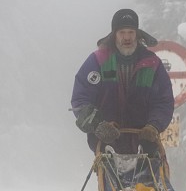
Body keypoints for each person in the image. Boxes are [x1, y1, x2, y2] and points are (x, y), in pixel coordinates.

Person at [71, 9, 174, 154]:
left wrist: (153, 126)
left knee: (154, 175)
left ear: (137, 34)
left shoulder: (152, 63)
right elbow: (81, 99)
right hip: (107, 143)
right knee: (110, 175)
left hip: (144, 143)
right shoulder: (97, 61)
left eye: (131, 32)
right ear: (114, 35)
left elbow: (163, 101)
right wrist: (98, 125)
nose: (127, 37)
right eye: (122, 32)